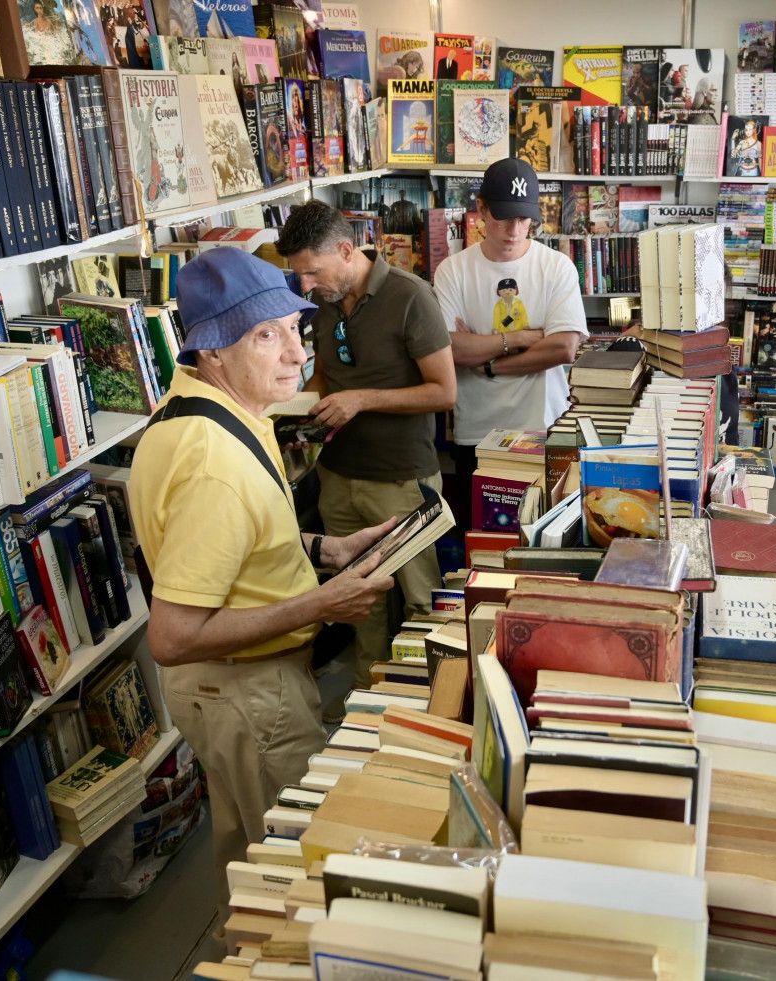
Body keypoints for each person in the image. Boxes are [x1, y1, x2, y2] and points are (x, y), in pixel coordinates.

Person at [129, 249, 396, 919]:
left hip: (229, 695)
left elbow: (234, 542)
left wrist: (322, 547)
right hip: (249, 692)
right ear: (213, 349)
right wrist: (322, 601)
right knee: (295, 887)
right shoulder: (214, 461)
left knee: (250, 860)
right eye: (266, 335)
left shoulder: (207, 406)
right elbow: (171, 635)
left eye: (294, 330)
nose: (295, 354)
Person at [276, 201, 456, 721]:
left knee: (423, 602)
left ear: (347, 250)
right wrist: (298, 417)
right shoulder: (327, 301)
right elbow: (328, 378)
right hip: (337, 475)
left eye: (312, 271)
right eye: (298, 274)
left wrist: (362, 400)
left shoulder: (410, 296)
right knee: (359, 601)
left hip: (400, 478)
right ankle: (366, 703)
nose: (306, 285)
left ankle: (433, 713)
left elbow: (444, 392)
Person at [433, 157, 588, 514]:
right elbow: (451, 350)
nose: (515, 230)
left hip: (545, 429)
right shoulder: (453, 271)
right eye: (504, 216)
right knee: (485, 544)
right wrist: (522, 339)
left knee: (545, 541)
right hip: (477, 436)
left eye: (523, 218)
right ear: (482, 209)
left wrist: (489, 365)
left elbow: (564, 348)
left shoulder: (556, 266)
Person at [123, 3, 148, 68]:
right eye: (133, 12)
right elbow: (132, 30)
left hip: (131, 38)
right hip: (129, 39)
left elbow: (136, 29)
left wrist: (138, 27)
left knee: (133, 51)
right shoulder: (129, 21)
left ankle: (135, 64)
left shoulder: (134, 20)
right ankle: (134, 65)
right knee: (131, 51)